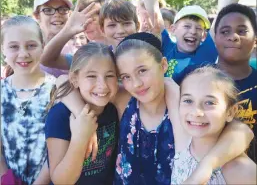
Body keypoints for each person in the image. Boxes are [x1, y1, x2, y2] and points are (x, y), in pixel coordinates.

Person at [58, 32, 253, 185]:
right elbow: (62, 81)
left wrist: (207, 166)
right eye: (125, 76)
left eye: (142, 71)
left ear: (163, 65)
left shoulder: (182, 104)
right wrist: (83, 116)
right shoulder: (124, 100)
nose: (136, 84)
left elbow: (241, 131)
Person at [177, 3, 257, 163]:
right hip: (192, 167)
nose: (233, 36)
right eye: (225, 31)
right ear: (215, 38)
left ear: (255, 39)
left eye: (242, 31)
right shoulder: (192, 75)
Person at [45, 42, 119, 184]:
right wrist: (80, 137)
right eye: (91, 76)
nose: (102, 85)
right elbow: (61, 181)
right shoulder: (60, 115)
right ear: (74, 79)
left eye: (109, 75)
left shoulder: (113, 110)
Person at [168, 66, 256, 184]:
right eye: (188, 101)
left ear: (230, 112)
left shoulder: (242, 170)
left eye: (209, 102)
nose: (196, 112)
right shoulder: (183, 140)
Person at [0, 15, 56, 184]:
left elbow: (58, 148)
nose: (23, 53)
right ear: (3, 49)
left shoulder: (57, 90)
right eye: (13, 47)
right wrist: (6, 179)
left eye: (31, 45)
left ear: (43, 46)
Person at [142, 0, 242, 82]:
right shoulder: (167, 46)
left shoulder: (205, 52)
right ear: (173, 29)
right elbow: (154, 11)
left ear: (204, 36)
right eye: (187, 26)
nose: (193, 31)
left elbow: (223, 14)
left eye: (198, 28)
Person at [33, 0, 73, 77]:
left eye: (63, 9)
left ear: (69, 14)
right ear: (37, 15)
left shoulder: (77, 47)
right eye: (48, 10)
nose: (57, 14)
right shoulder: (29, 48)